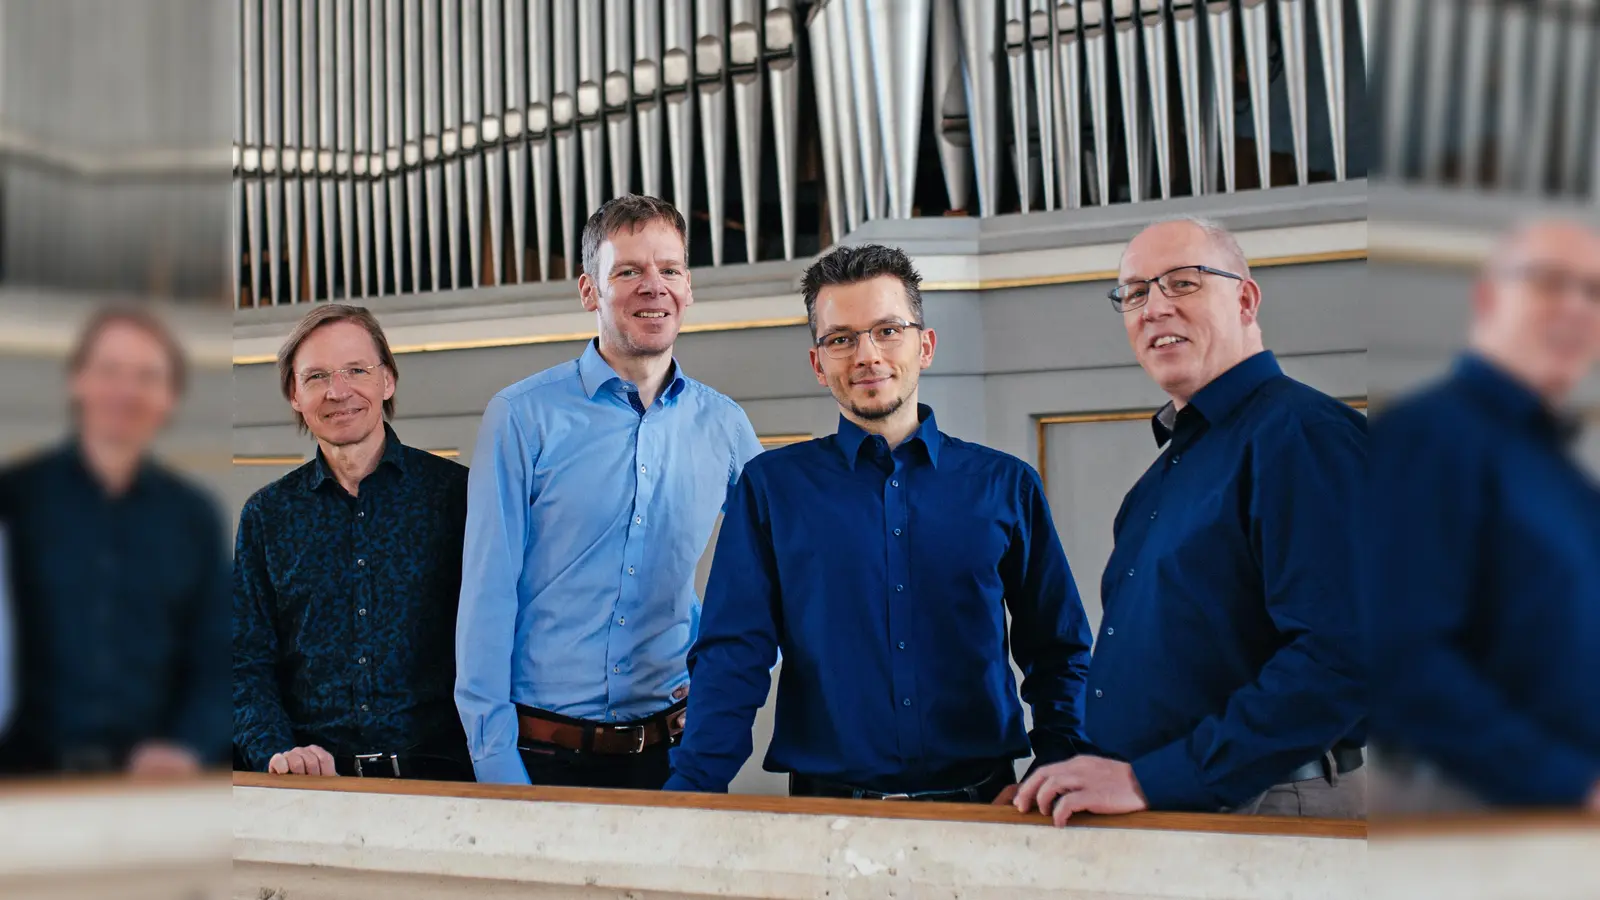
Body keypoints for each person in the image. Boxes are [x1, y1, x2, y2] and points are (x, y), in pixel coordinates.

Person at [664, 243, 1094, 802]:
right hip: (826, 814)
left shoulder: (1005, 485)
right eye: (842, 338)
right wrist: (691, 793)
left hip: (984, 807)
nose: (867, 355)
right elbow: (732, 656)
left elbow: (1058, 650)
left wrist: (1063, 768)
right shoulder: (771, 489)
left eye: (888, 330)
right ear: (819, 363)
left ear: (926, 345)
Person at [1015, 218, 1367, 824]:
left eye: (1182, 283)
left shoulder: (1305, 438)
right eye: (1134, 293)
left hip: (1271, 804)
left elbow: (1344, 653)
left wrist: (1153, 779)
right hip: (1175, 802)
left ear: (1246, 299)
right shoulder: (1160, 479)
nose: (1153, 308)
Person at [456, 194, 764, 790]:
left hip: (674, 752)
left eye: (669, 269)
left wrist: (719, 673)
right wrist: (497, 768)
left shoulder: (725, 426)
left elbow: (782, 574)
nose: (654, 286)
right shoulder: (522, 417)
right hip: (541, 755)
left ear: (689, 288)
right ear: (589, 291)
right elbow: (486, 597)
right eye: (628, 271)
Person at [1367, 219, 1600, 812]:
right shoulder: (1430, 438)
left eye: (1595, 292)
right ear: (1489, 297)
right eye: (1551, 283)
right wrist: (1569, 780)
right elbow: (1399, 657)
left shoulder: (1559, 469)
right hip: (1471, 812)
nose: (1577, 308)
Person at [233, 304, 472, 781]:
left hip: (443, 780)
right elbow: (243, 663)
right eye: (317, 376)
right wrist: (277, 750)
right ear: (294, 395)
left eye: (356, 370)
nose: (338, 391)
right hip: (313, 787)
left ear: (388, 380)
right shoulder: (266, 516)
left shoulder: (458, 495)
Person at [0, 306, 228, 776]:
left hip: (150, 793)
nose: (127, 392)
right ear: (77, 381)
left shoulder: (195, 517)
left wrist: (188, 746)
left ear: (170, 398)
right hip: (23, 785)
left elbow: (219, 659)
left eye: (147, 376)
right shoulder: (15, 497)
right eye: (110, 370)